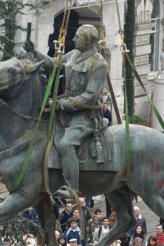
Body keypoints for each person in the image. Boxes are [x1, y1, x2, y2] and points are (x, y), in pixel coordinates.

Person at [26, 24, 107, 197]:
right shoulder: (74, 54)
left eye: (78, 37)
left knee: (66, 144)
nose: (73, 39)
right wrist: (34, 52)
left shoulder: (98, 63)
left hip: (84, 116)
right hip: (65, 113)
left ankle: (73, 188)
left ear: (89, 41)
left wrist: (61, 104)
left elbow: (90, 96)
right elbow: (53, 64)